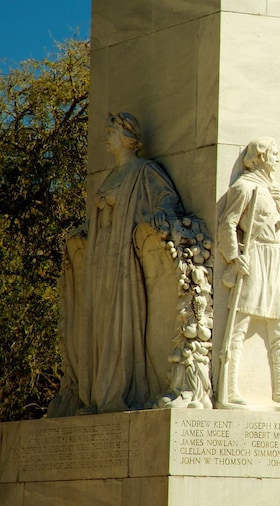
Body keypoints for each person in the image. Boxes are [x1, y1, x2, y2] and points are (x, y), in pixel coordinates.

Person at [83, 112, 184, 413]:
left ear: (128, 138)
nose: (106, 135)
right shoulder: (110, 175)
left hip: (125, 259)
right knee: (101, 325)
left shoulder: (144, 170)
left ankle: (118, 392)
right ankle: (100, 394)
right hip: (103, 257)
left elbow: (168, 199)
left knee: (120, 322)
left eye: (111, 130)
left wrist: (159, 216)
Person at [217, 137, 280, 408]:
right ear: (261, 157)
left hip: (275, 258)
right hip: (254, 256)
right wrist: (233, 257)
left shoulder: (276, 189)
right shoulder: (244, 187)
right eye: (274, 154)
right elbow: (227, 224)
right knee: (238, 326)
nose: (278, 158)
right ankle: (228, 389)